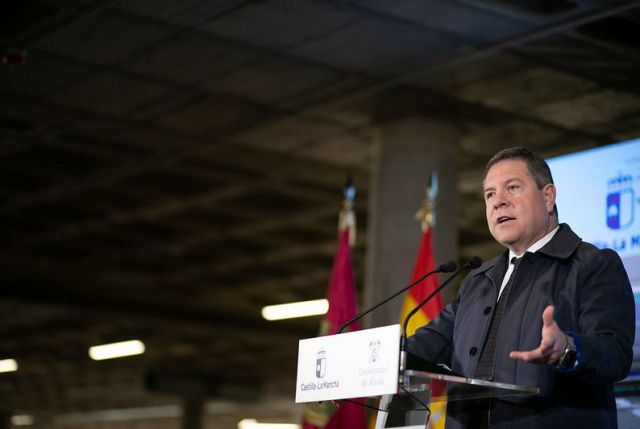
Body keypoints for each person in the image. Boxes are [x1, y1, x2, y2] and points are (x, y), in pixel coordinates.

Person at [406, 146, 635, 429]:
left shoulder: (593, 264)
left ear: (548, 197)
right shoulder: (477, 280)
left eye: (512, 188)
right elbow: (423, 346)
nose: (498, 202)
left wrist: (566, 349)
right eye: (489, 194)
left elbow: (616, 355)